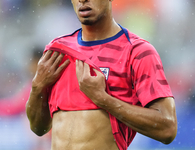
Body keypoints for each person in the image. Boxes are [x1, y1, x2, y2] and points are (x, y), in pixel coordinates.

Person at [26, 0, 177, 150]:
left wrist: (102, 99)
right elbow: (39, 128)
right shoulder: (57, 51)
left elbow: (167, 129)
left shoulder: (137, 52)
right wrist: (37, 87)